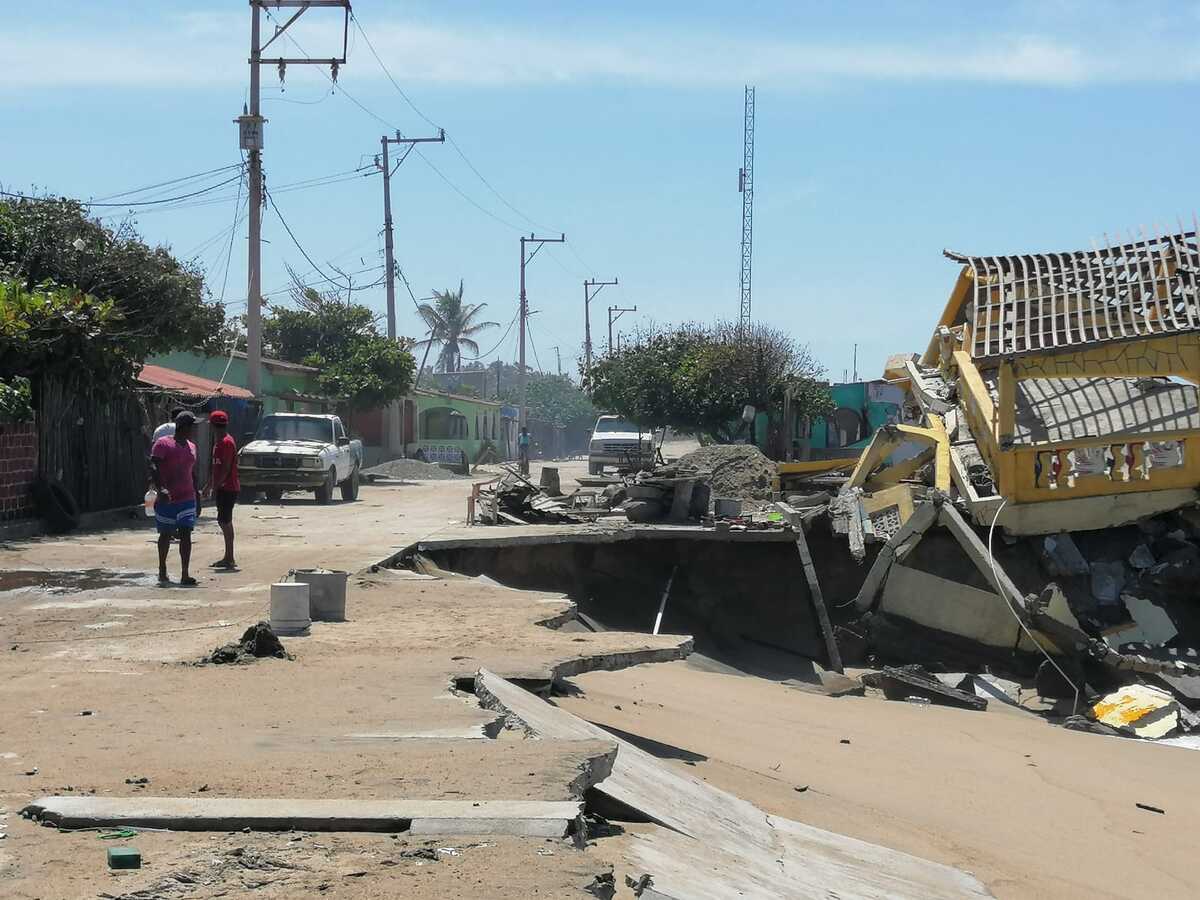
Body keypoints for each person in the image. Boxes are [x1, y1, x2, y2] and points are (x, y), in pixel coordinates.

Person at [150, 411, 199, 586]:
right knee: (165, 534)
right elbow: (154, 465)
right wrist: (160, 488)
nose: (194, 430)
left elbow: (191, 472)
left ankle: (185, 573)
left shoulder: (192, 447)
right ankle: (162, 568)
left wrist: (197, 496)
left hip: (187, 497)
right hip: (167, 498)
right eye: (192, 426)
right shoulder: (163, 444)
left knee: (186, 533)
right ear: (184, 426)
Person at [203, 410, 239, 570]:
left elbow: (225, 469)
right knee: (223, 520)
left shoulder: (226, 442)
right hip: (223, 486)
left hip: (228, 487)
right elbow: (216, 468)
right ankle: (228, 557)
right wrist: (208, 485)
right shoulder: (218, 442)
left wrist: (216, 486)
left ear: (213, 425)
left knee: (225, 521)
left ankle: (230, 558)